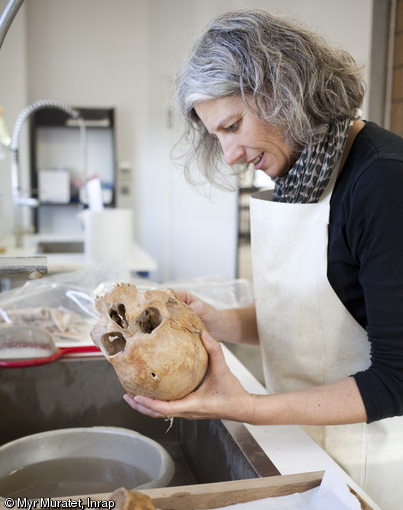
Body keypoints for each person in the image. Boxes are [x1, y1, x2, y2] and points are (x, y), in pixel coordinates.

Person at [124, 9, 403, 509]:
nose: (229, 154)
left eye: (233, 126)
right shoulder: (303, 174)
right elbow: (318, 314)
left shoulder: (382, 182)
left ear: (284, 92)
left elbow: (398, 380)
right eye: (216, 136)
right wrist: (217, 321)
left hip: (369, 462)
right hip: (304, 440)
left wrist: (247, 406)